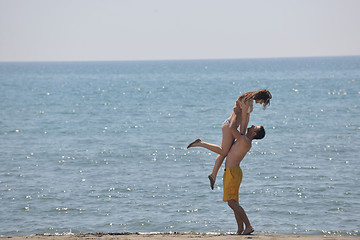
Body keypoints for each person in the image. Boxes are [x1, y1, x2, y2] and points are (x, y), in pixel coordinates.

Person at [187, 89, 271, 189]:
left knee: (225, 152)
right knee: (223, 151)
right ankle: (200, 143)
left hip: (232, 126)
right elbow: (244, 118)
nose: (261, 103)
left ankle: (213, 175)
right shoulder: (247, 100)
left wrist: (242, 134)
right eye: (262, 101)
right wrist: (242, 134)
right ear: (260, 97)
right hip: (229, 126)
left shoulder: (249, 100)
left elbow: (247, 117)